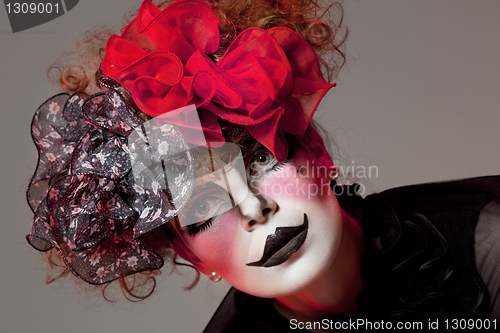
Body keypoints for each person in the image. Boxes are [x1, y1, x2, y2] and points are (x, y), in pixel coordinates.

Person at [26, 0, 500, 331]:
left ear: (317, 157)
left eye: (263, 161)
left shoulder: (487, 251)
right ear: (192, 257)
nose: (254, 207)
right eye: (206, 206)